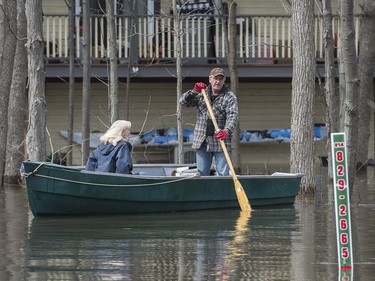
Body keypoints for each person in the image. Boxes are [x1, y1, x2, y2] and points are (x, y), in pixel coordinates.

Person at [179, 67, 238, 176]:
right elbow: (183, 102)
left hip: (221, 142)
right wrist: (194, 91)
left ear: (224, 80)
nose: (218, 81)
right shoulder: (202, 93)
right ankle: (203, 192)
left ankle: (223, 192)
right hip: (202, 141)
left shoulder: (229, 96)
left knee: (223, 174)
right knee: (202, 174)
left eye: (221, 79)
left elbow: (233, 115)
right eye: (215, 78)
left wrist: (227, 130)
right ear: (210, 79)